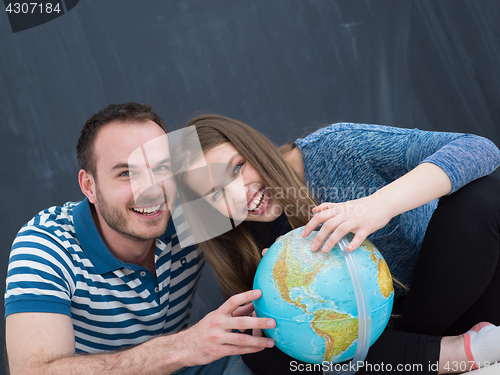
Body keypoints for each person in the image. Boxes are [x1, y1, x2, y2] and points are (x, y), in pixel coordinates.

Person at [172, 114, 500, 374]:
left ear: (253, 144)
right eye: (216, 194)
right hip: (394, 346)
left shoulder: (334, 148)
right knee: (259, 348)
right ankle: (461, 354)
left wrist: (379, 205)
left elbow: (479, 148)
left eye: (238, 168)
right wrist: (272, 303)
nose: (239, 194)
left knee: (481, 197)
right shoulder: (244, 241)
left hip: (463, 295)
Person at [4, 103, 277, 375]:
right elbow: (32, 371)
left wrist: (319, 215)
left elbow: (285, 167)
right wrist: (184, 346)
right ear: (90, 186)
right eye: (126, 173)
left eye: (161, 169)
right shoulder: (46, 245)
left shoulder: (191, 209)